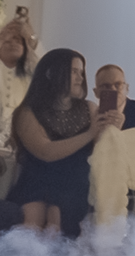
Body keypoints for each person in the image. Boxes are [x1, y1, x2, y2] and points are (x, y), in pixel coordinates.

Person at [7, 48, 120, 237]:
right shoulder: (27, 113)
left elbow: (100, 150)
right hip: (37, 180)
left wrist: (113, 129)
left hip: (75, 183)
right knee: (30, 225)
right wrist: (90, 133)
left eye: (81, 72)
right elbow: (45, 151)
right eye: (74, 72)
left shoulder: (89, 108)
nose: (80, 78)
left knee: (56, 221)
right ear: (52, 73)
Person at [0, 12, 39, 195]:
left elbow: (45, 71)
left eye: (18, 39)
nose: (13, 41)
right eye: (8, 38)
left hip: (18, 151)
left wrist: (29, 37)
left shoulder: (31, 76)